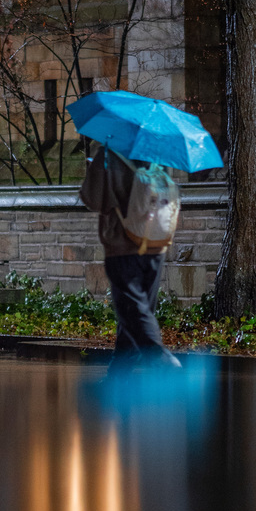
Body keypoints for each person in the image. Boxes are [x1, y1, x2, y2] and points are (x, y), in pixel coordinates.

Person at [79, 143, 176, 360]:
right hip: (154, 243)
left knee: (133, 311)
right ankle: (119, 374)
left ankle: (160, 359)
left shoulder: (109, 153)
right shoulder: (158, 153)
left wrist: (93, 171)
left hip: (122, 244)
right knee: (136, 311)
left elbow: (92, 200)